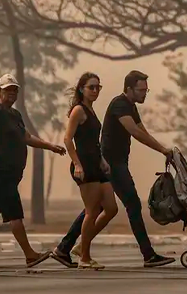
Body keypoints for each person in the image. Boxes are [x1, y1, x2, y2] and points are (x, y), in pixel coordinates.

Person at [52, 70, 175, 268]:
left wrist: (164, 148)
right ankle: (148, 255)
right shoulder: (119, 104)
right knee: (130, 205)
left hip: (105, 162)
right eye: (141, 90)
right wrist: (161, 149)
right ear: (129, 89)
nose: (144, 93)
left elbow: (141, 128)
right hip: (111, 163)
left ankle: (67, 247)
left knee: (101, 208)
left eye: (146, 90)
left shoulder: (128, 107)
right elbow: (134, 132)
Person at [0, 73, 67, 268]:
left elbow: (27, 138)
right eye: (8, 90)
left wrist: (51, 146)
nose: (12, 93)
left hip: (10, 173)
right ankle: (30, 254)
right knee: (15, 213)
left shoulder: (15, 115)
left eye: (15, 90)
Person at [60, 72, 118, 270]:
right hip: (84, 164)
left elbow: (94, 142)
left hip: (96, 164)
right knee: (92, 211)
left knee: (111, 208)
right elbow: (68, 139)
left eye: (97, 87)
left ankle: (80, 245)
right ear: (81, 89)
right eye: (91, 87)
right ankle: (84, 257)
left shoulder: (91, 111)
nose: (95, 91)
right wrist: (77, 164)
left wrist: (102, 160)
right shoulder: (78, 110)